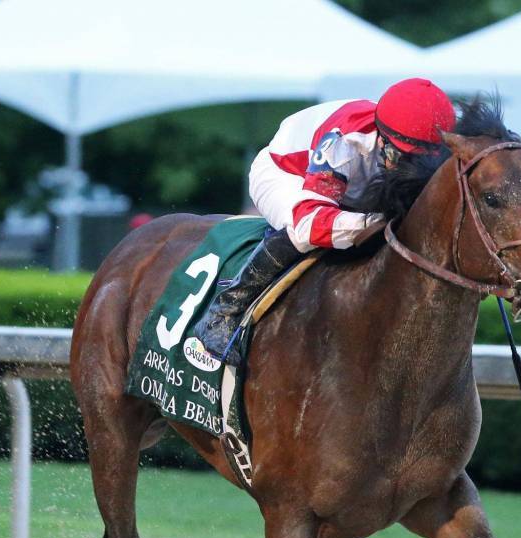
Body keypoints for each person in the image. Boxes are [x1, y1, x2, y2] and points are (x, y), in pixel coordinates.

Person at [193, 77, 456, 364]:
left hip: (352, 189)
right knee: (302, 233)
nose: (405, 168)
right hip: (289, 174)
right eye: (397, 155)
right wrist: (375, 223)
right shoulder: (343, 143)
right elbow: (311, 221)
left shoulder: (427, 145)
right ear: (380, 136)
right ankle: (225, 312)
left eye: (418, 161)